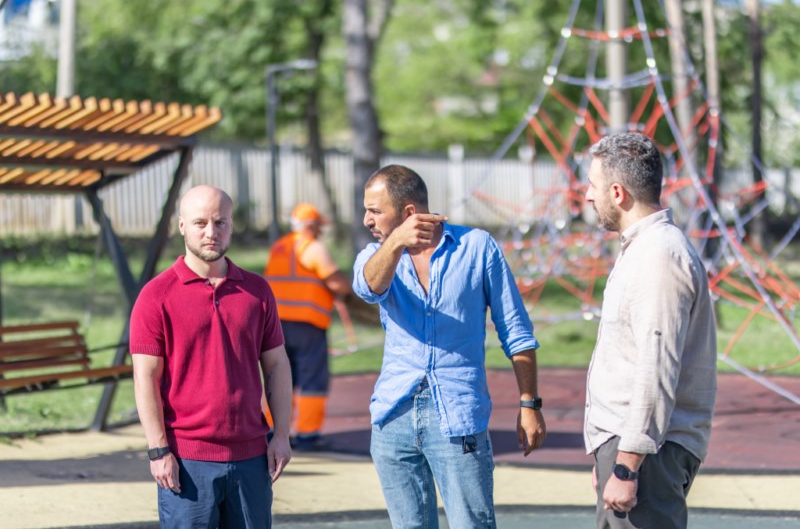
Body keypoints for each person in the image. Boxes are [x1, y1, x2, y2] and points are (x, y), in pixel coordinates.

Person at [353, 164, 547, 528]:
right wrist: (396, 242)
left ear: (409, 212)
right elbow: (367, 289)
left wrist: (529, 404)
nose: (366, 220)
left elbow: (516, 330)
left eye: (375, 211)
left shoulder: (477, 247)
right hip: (393, 415)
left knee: (472, 524)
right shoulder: (375, 255)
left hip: (458, 416)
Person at [130, 185, 293, 528]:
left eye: (220, 222)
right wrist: (158, 450)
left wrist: (281, 435)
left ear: (231, 225)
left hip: (252, 457)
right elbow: (145, 377)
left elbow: (277, 366)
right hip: (186, 461)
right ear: (181, 226)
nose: (211, 232)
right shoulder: (156, 295)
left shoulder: (257, 291)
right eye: (200, 223)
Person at [583, 132, 717, 529]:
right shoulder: (642, 249)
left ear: (618, 193)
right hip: (633, 448)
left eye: (592, 186)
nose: (587, 196)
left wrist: (627, 463)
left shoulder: (659, 255)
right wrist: (608, 452)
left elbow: (656, 367)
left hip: (649, 454)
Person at [263, 203, 352, 450]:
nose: (321, 231)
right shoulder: (312, 248)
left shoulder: (279, 247)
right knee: (312, 380)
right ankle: (308, 435)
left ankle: (271, 430)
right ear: (312, 226)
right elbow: (338, 284)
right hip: (308, 324)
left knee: (279, 377)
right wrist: (348, 289)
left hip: (277, 324)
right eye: (319, 226)